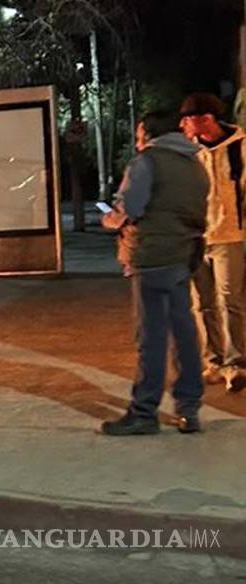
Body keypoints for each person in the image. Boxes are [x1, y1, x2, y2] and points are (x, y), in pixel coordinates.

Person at [101, 110, 208, 435]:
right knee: (184, 333)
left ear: (148, 133)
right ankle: (189, 409)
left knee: (152, 337)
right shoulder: (194, 163)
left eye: (138, 134)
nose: (137, 140)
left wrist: (109, 218)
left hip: (151, 256)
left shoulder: (147, 162)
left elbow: (130, 207)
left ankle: (144, 412)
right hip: (183, 254)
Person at [179, 92, 246, 393]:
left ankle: (236, 363)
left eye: (187, 119)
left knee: (230, 300)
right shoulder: (188, 152)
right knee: (202, 303)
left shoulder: (240, 148)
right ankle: (214, 360)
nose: (182, 125)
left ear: (206, 119)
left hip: (230, 235)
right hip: (196, 238)